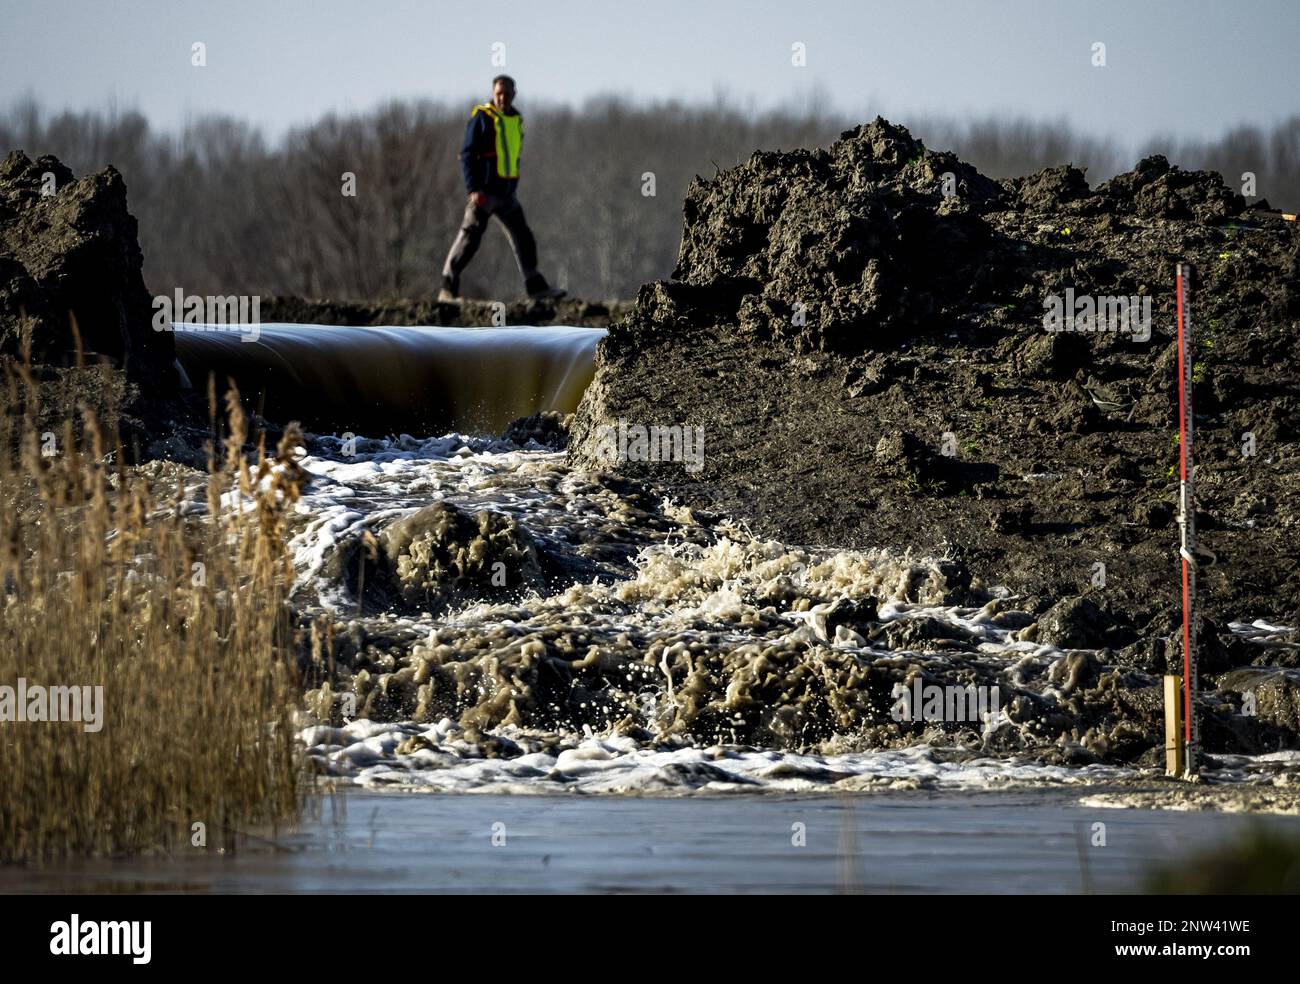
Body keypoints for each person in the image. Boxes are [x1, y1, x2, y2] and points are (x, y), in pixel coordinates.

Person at [439, 75, 565, 301]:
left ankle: (536, 288)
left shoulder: (515, 120)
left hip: (506, 194)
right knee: (469, 238)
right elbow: (466, 154)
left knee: (523, 237)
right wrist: (473, 188)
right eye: (499, 93)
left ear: (514, 94)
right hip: (484, 193)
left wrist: (512, 186)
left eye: (507, 93)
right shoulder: (482, 118)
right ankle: (448, 288)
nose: (503, 97)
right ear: (493, 93)